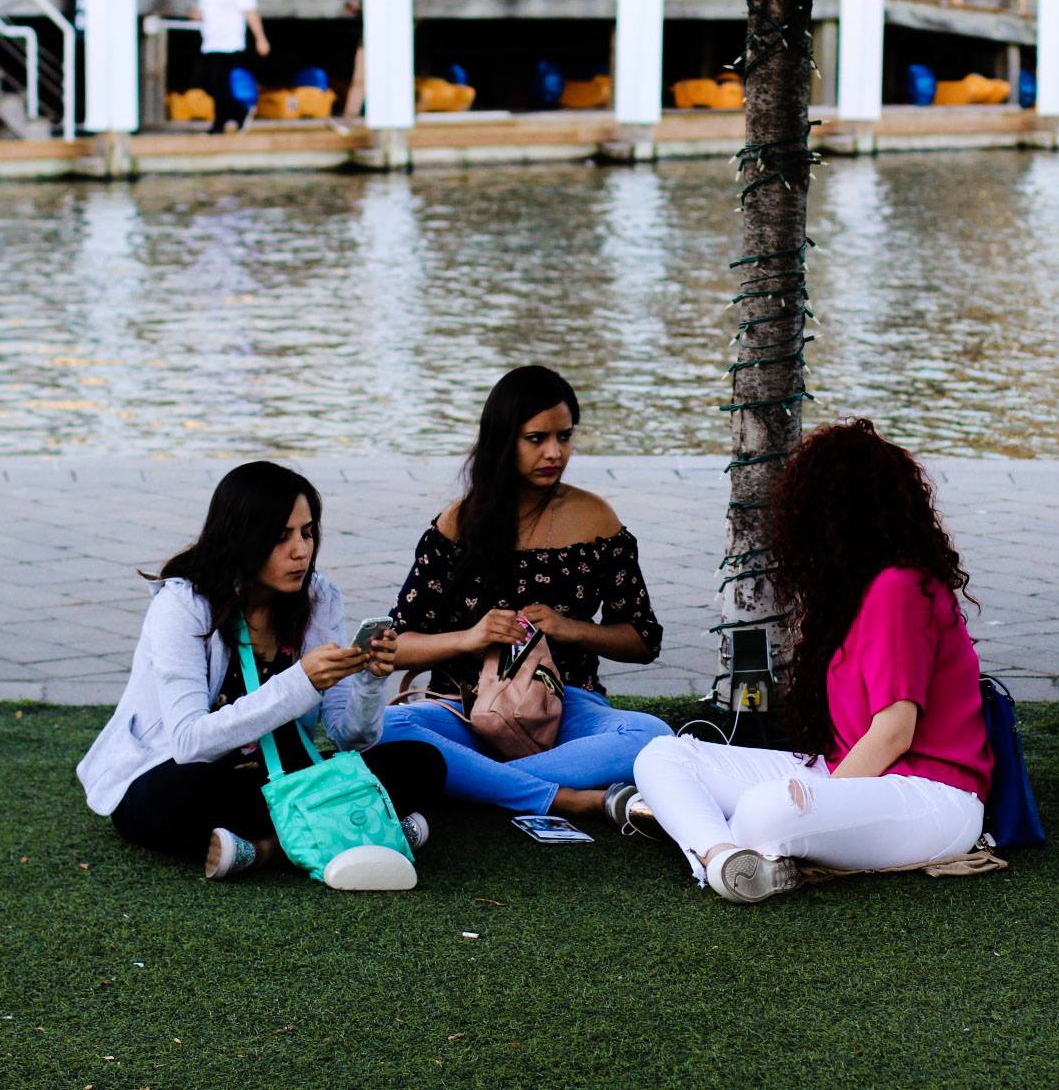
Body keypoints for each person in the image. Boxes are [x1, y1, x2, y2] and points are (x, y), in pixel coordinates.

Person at [628, 419, 992, 904]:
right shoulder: (853, 592)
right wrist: (817, 801)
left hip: (933, 799)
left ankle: (700, 831)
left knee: (765, 811)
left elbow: (894, 733)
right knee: (662, 755)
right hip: (852, 776)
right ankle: (724, 860)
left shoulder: (898, 588)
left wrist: (820, 804)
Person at [77, 462, 446, 885]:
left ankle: (267, 849)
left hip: (280, 776)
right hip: (196, 773)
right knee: (170, 798)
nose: (301, 551)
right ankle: (362, 829)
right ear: (241, 538)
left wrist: (370, 681)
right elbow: (190, 743)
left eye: (307, 532)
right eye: (281, 537)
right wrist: (302, 682)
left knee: (422, 762)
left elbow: (351, 738)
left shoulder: (319, 597)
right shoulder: (182, 605)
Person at [377, 365, 671, 818]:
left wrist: (571, 629)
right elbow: (395, 646)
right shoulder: (458, 524)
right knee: (386, 727)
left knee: (651, 736)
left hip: (564, 707)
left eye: (564, 437)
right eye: (536, 439)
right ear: (502, 440)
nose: (555, 452)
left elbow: (642, 640)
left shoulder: (596, 519)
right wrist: (470, 638)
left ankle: (477, 781)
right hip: (464, 710)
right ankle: (558, 795)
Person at [194, 0, 270, 135]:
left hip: (230, 43)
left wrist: (260, 38)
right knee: (207, 83)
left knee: (220, 85)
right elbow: (204, 11)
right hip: (210, 43)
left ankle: (219, 124)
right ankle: (240, 111)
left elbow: (250, 12)